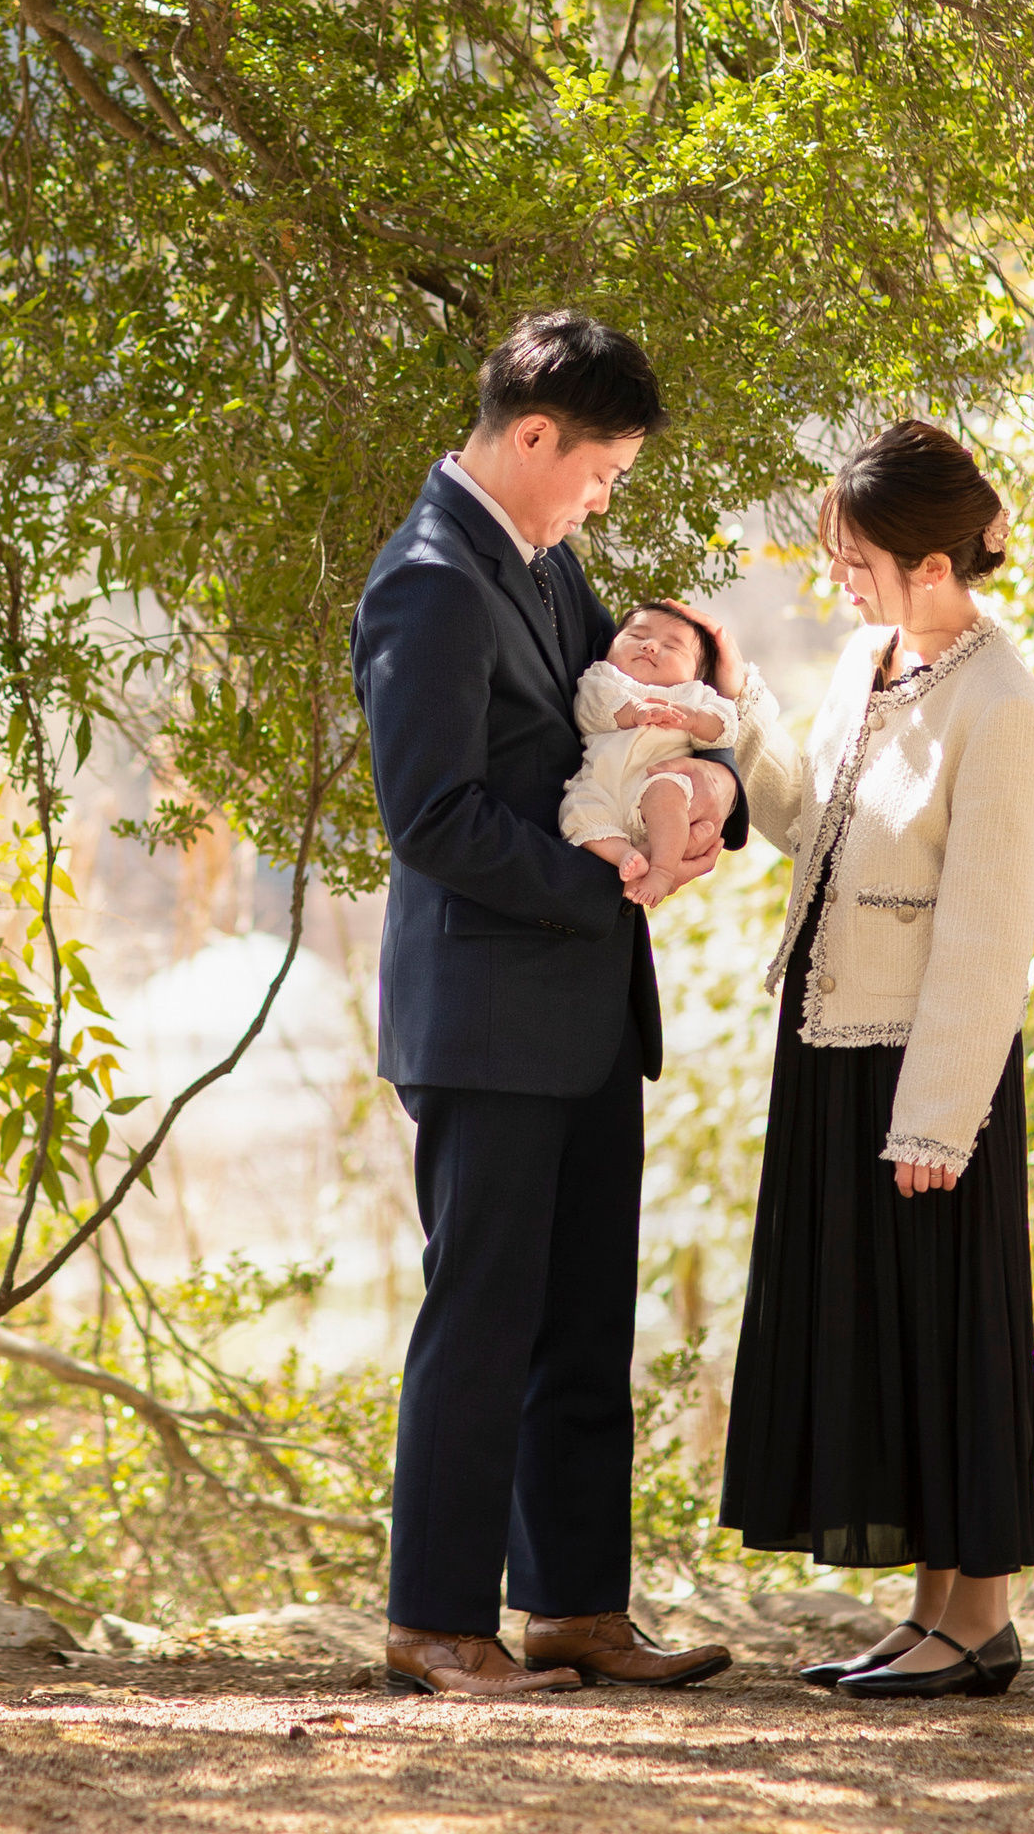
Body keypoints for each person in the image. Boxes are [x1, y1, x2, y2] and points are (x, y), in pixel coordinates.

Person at [352, 311, 747, 1700]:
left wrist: (711, 803)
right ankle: (437, 1620)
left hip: (580, 1014)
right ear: (532, 437)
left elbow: (626, 709)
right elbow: (435, 819)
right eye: (598, 473)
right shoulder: (429, 582)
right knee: (484, 1317)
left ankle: (575, 1607)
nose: (602, 500)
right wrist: (609, 891)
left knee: (582, 1316)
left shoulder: (542, 562)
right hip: (485, 1018)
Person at [682, 419, 1034, 1702]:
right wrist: (740, 703)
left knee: (949, 1337)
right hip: (832, 1048)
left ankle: (983, 1623)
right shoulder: (870, 658)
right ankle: (932, 1617)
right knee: (889, 1341)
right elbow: (804, 818)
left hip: (929, 1071)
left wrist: (937, 1120)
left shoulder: (1003, 706)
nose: (839, 577)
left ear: (931, 560)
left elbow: (988, 930)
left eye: (857, 558)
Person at [559, 605, 741, 908]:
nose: (650, 645)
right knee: (576, 811)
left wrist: (694, 720)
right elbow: (590, 707)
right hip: (601, 787)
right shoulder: (604, 678)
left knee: (667, 792)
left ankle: (661, 870)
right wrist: (633, 711)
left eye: (672, 646)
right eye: (637, 634)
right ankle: (624, 855)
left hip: (654, 787)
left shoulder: (692, 696)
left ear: (695, 674)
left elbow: (725, 726)